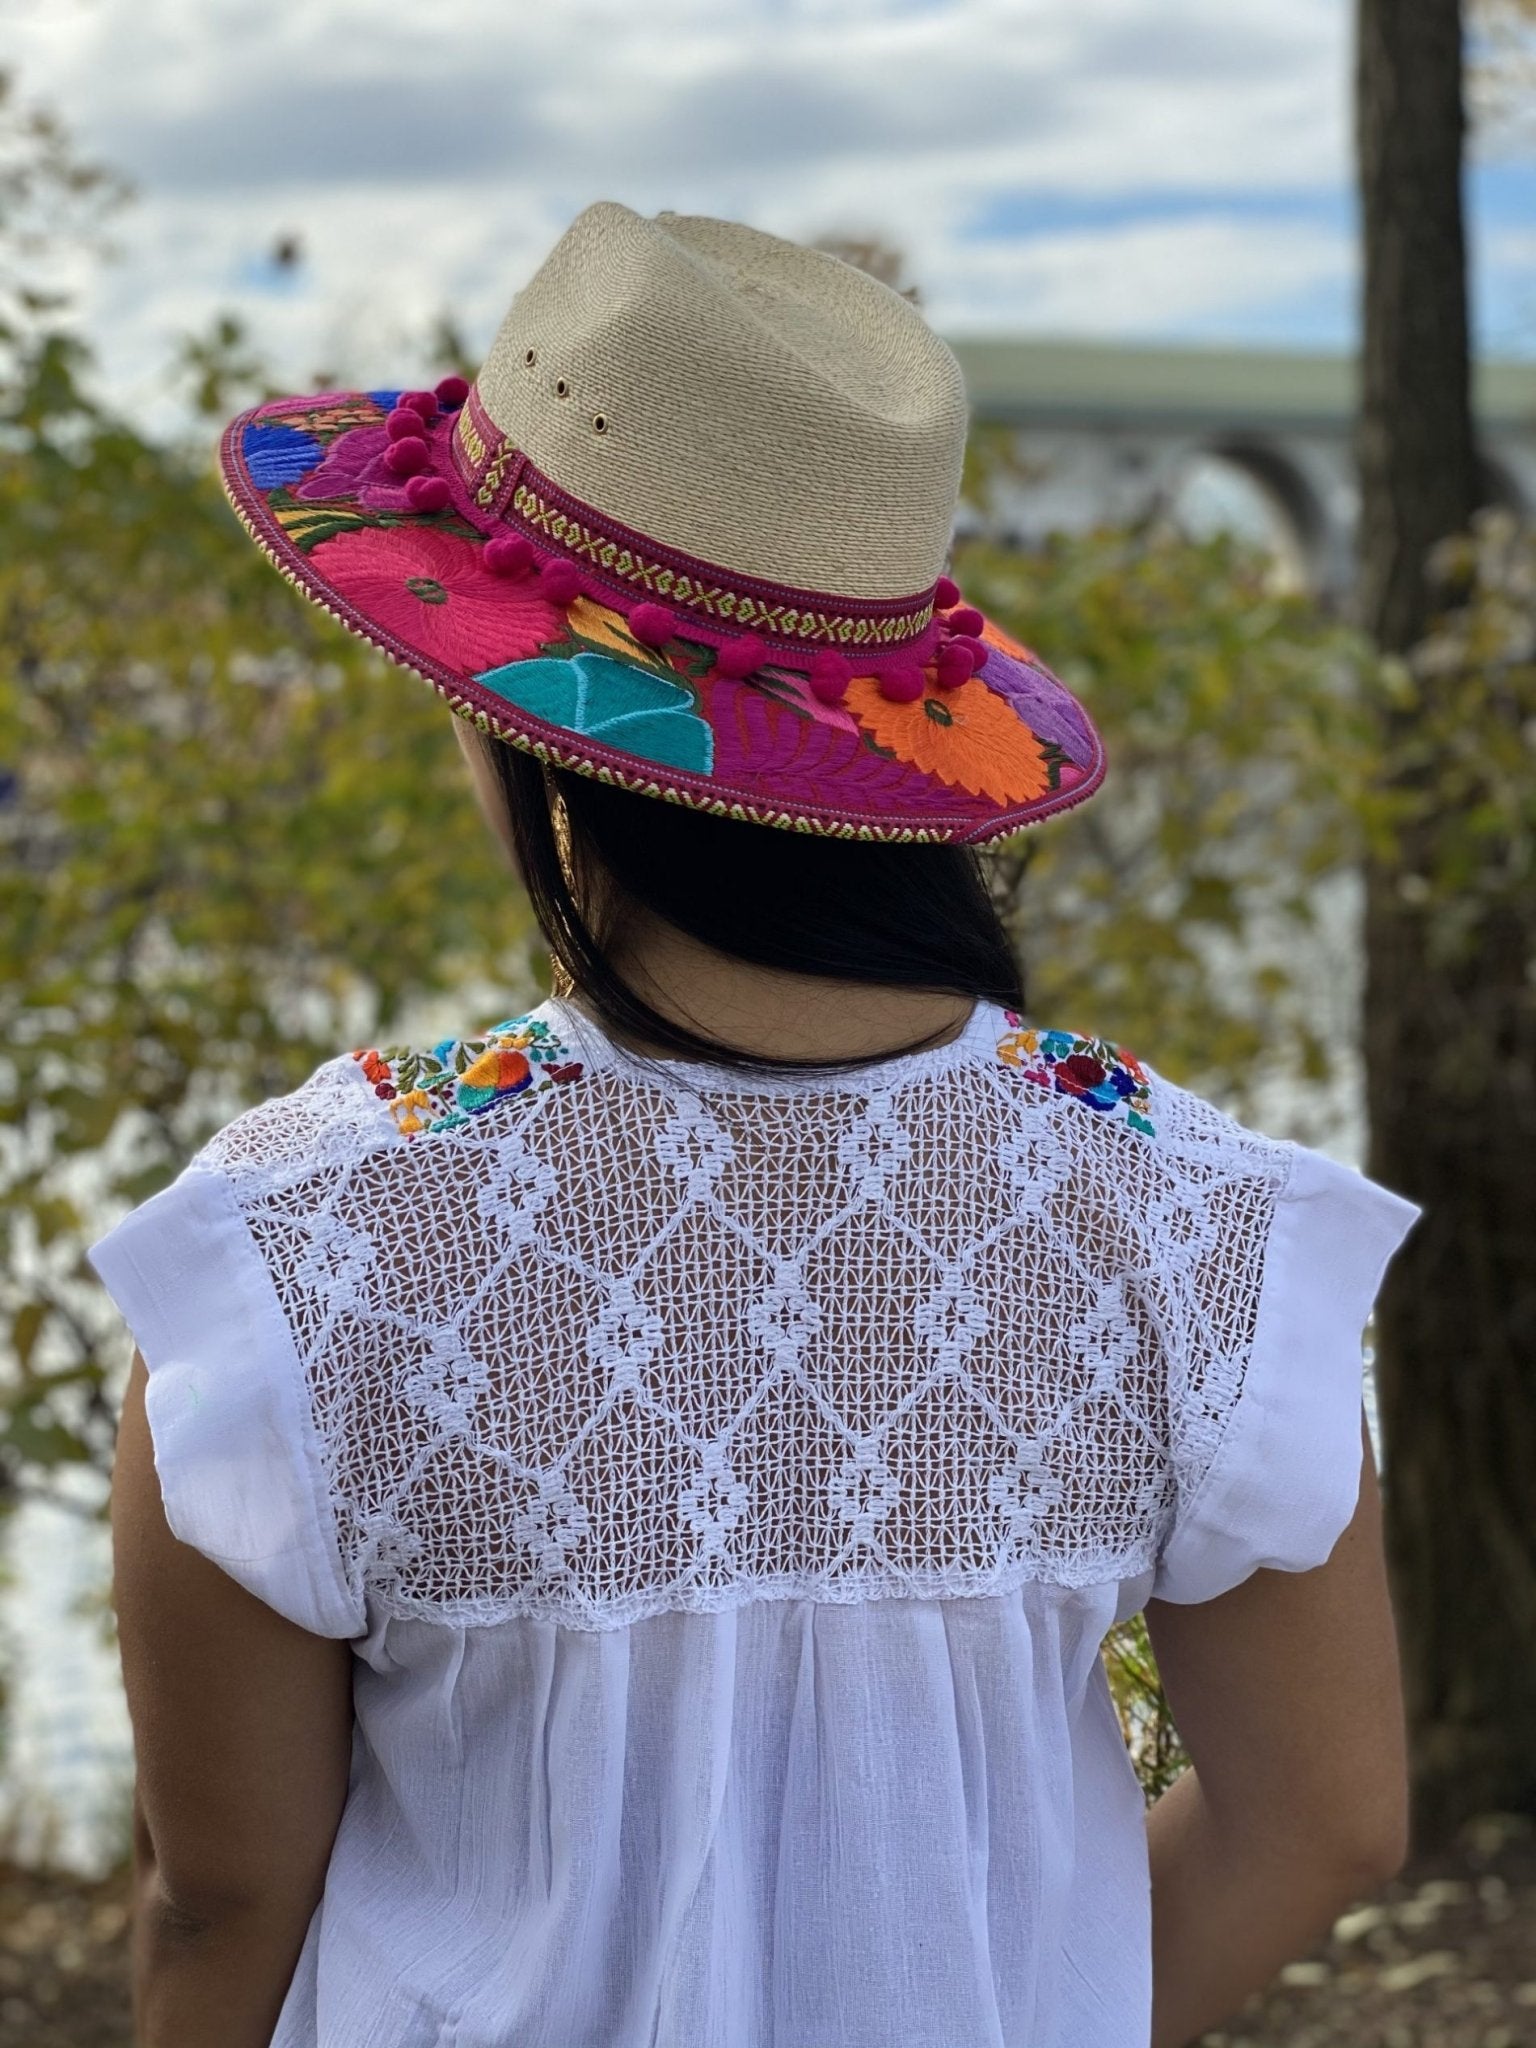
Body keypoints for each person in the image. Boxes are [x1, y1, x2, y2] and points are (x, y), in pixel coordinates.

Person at [92, 202, 1420, 2048]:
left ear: (524, 728)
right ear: (900, 752)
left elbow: (223, 1896)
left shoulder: (306, 1248)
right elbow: (1327, 1820)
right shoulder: (1198, 1224)